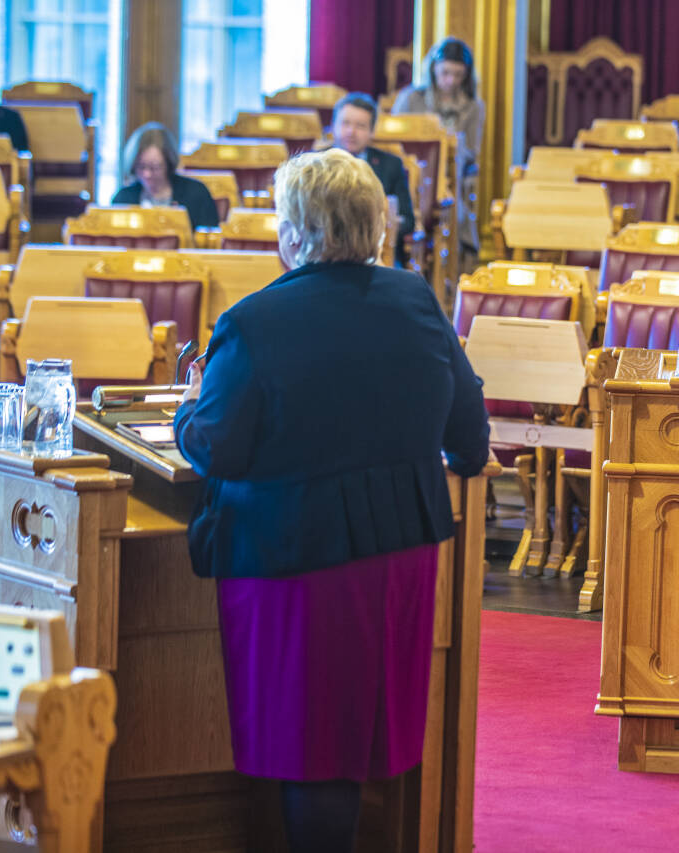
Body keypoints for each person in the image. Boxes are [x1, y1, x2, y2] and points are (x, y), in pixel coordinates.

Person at [173, 148, 489, 851]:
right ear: (374, 226)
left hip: (296, 558)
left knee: (311, 747)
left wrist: (186, 407)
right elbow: (469, 435)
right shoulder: (417, 301)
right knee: (362, 736)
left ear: (293, 233)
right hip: (400, 556)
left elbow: (215, 445)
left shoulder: (254, 322)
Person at [392, 37, 485, 252]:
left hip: (449, 174)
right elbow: (393, 139)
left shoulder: (473, 106)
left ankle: (452, 254)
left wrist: (451, 144)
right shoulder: (411, 98)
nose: (451, 80)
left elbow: (472, 150)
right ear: (433, 70)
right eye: (445, 73)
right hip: (408, 171)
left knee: (450, 199)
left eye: (458, 75)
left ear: (466, 75)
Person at [331, 92, 415, 242]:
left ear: (372, 131)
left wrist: (384, 224)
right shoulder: (315, 163)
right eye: (345, 123)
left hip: (377, 246)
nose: (351, 132)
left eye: (360, 126)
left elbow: (408, 221)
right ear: (333, 125)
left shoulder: (391, 165)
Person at [112, 122, 220, 229]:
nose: (147, 174)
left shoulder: (196, 193)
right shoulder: (123, 198)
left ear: (169, 163)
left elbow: (209, 239)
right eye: (141, 166)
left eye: (154, 167)